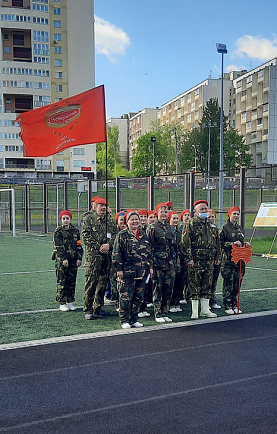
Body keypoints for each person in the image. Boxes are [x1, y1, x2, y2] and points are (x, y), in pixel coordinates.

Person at [112, 209, 153, 329]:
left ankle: (134, 319)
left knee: (139, 297)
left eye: (136, 219)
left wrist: (150, 267)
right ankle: (124, 320)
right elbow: (116, 254)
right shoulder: (122, 235)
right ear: (127, 222)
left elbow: (149, 253)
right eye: (132, 220)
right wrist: (119, 269)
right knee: (126, 297)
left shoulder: (144, 234)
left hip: (142, 272)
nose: (134, 222)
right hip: (127, 272)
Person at [181, 200, 221, 319]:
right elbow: (185, 242)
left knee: (207, 285)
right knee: (194, 285)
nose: (204, 211)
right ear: (196, 211)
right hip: (196, 260)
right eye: (201, 210)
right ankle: (194, 312)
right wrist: (189, 258)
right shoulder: (191, 223)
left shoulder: (211, 224)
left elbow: (217, 243)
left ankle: (205, 310)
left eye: (205, 209)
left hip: (209, 260)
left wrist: (217, 257)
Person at [81, 197, 117, 320]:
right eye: (100, 205)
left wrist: (108, 245)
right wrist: (99, 247)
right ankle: (88, 309)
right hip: (93, 258)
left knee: (102, 283)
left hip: (106, 258)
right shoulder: (88, 219)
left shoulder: (109, 220)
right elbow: (86, 236)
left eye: (104, 206)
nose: (103, 208)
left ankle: (98, 308)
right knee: (91, 283)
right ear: (94, 206)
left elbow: (115, 235)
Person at [147, 203, 177, 323]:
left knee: (168, 289)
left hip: (169, 263)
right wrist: (150, 265)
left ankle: (165, 312)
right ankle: (158, 313)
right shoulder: (152, 228)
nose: (164, 214)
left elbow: (174, 246)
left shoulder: (169, 228)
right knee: (157, 289)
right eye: (161, 212)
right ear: (156, 213)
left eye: (166, 212)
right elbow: (149, 247)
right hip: (157, 263)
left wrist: (175, 263)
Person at [220, 206, 251, 315]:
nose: (236, 216)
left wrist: (245, 244)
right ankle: (227, 305)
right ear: (229, 215)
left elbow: (241, 241)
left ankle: (234, 304)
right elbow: (220, 244)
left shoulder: (239, 228)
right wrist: (231, 244)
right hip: (228, 261)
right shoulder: (224, 228)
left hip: (240, 261)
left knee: (237, 283)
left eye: (238, 214)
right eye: (234, 214)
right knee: (228, 283)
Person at [52, 210, 83, 312]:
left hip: (73, 260)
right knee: (62, 281)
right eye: (64, 218)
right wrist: (63, 259)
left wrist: (79, 258)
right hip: (62, 261)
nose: (65, 220)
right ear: (61, 220)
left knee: (72, 281)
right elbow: (58, 247)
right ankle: (61, 302)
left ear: (70, 219)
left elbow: (79, 245)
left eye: (67, 218)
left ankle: (69, 301)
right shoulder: (58, 232)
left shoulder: (75, 231)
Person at [167, 211, 184, 313]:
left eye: (177, 218)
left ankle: (176, 302)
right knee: (170, 283)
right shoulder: (168, 232)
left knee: (179, 282)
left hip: (179, 260)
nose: (176, 220)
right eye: (173, 218)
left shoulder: (179, 232)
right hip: (170, 260)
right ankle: (170, 303)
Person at [207, 209, 222, 310]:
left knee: (214, 281)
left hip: (215, 259)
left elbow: (219, 246)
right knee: (206, 282)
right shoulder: (203, 229)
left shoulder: (217, 230)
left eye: (213, 217)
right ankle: (205, 303)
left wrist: (218, 258)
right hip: (206, 260)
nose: (211, 219)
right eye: (209, 217)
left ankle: (212, 301)